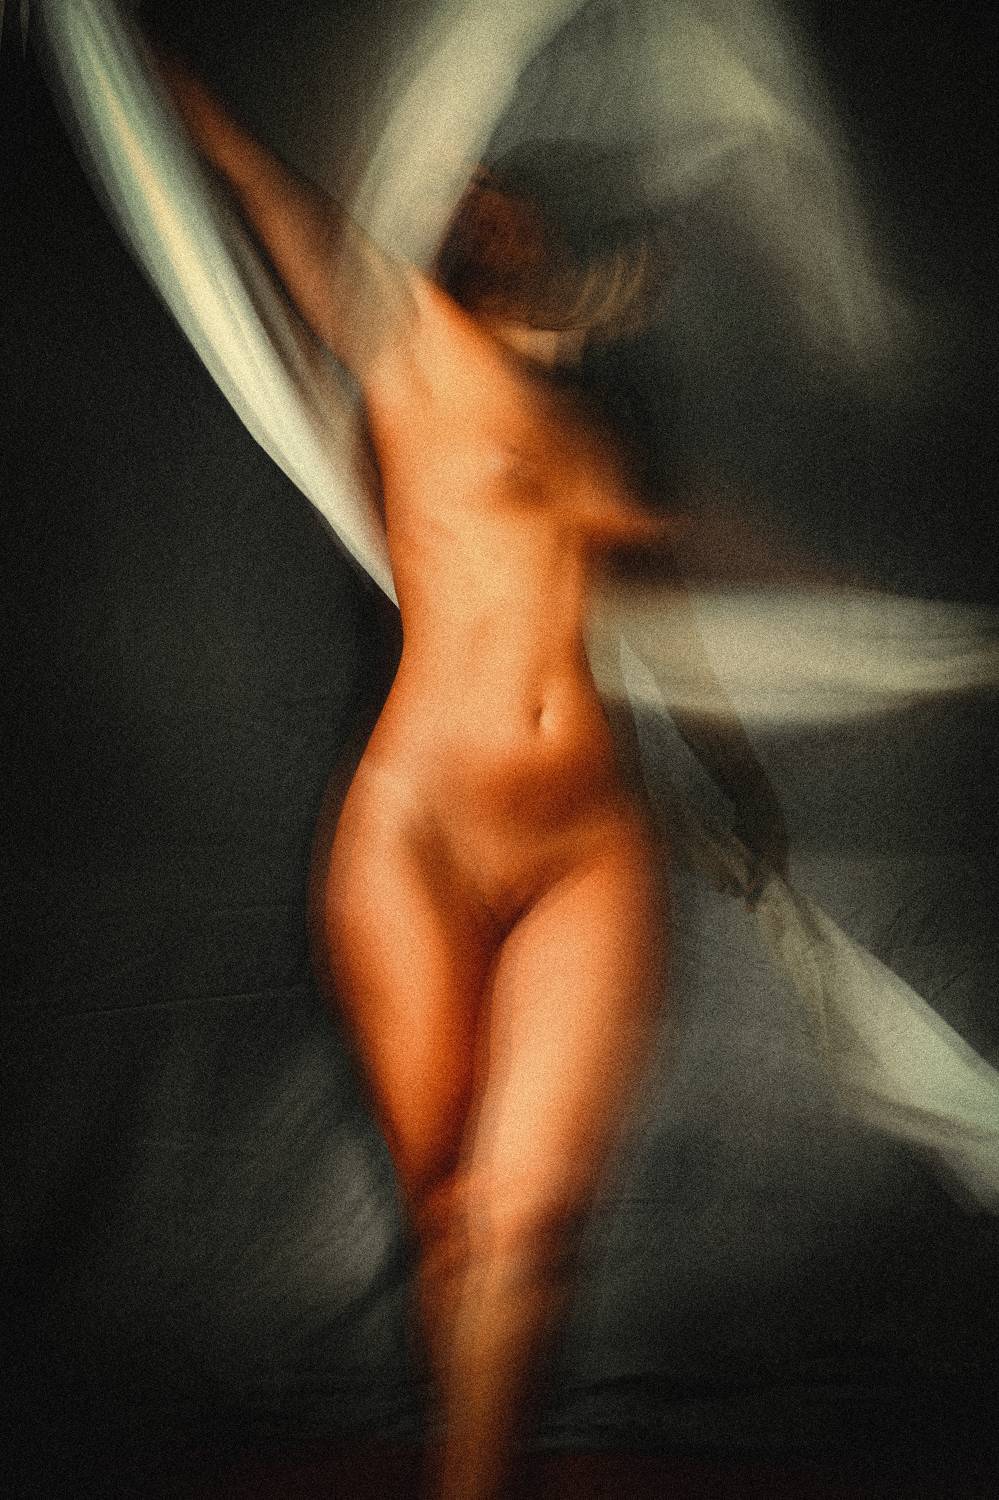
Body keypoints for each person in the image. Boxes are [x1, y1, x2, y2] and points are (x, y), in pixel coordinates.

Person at [157, 58, 787, 1500]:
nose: (481, 205)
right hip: (421, 835)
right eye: (467, 194)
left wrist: (740, 783)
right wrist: (128, 58)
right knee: (453, 1219)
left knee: (526, 1220)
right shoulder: (408, 341)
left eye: (506, 193)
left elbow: (667, 638)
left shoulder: (613, 431)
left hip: (589, 837)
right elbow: (262, 192)